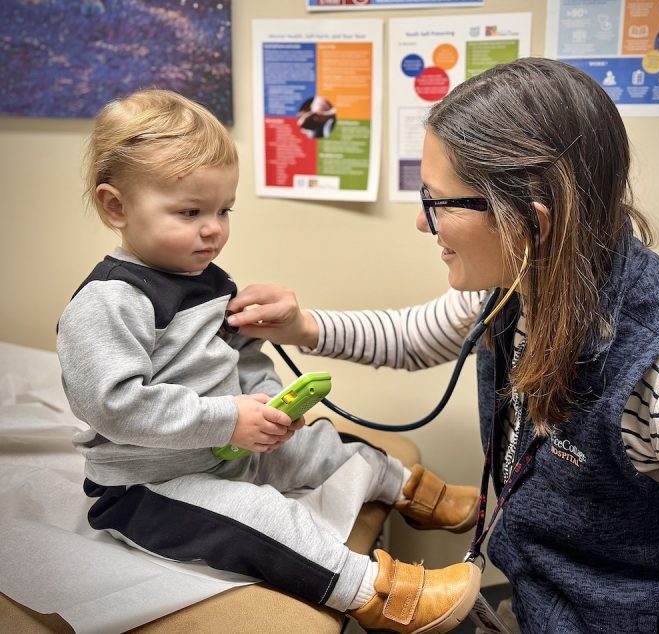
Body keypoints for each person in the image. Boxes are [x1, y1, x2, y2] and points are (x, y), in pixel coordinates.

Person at [226, 58, 659, 632]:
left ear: (531, 220)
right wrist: (299, 326)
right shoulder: (522, 284)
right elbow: (414, 337)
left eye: (438, 201)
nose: (423, 226)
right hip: (533, 604)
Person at [56, 88, 483, 634]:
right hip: (150, 485)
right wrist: (228, 418)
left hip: (226, 448)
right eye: (190, 212)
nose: (213, 228)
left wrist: (270, 405)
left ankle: (417, 492)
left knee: (329, 444)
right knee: (267, 519)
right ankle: (383, 595)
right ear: (116, 206)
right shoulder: (107, 302)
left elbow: (242, 353)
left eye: (223, 210)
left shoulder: (207, 281)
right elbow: (112, 405)